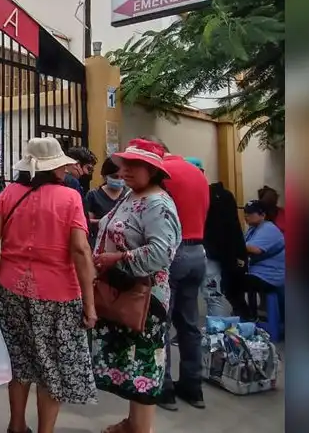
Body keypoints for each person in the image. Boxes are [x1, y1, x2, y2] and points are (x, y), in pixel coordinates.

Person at [0, 138, 98, 433]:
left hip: (11, 288)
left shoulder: (8, 193)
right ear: (55, 168)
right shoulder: (70, 198)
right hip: (58, 295)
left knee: (20, 362)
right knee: (52, 368)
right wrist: (90, 304)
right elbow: (81, 250)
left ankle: (17, 426)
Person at [91, 138, 182, 433]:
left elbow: (161, 253)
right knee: (134, 367)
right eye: (125, 164)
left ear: (153, 170)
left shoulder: (158, 204)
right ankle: (133, 424)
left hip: (145, 298)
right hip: (124, 290)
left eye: (135, 165)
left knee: (144, 365)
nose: (126, 170)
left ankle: (141, 428)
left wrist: (116, 258)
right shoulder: (132, 197)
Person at [148, 137, 210, 411]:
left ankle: (165, 389)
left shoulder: (163, 174)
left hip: (173, 252)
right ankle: (193, 387)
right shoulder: (197, 173)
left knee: (161, 322)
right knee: (189, 324)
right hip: (198, 252)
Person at [203, 173, 248, 318]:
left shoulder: (211, 197)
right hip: (221, 253)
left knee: (212, 295)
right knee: (215, 296)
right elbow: (234, 228)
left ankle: (218, 333)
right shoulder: (223, 195)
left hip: (210, 253)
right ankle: (219, 333)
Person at [235, 200, 286, 321]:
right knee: (233, 279)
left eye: (251, 213)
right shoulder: (253, 229)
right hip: (259, 272)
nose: (246, 216)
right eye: (246, 213)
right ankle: (246, 313)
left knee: (241, 282)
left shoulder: (268, 229)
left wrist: (233, 243)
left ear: (262, 215)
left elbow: (255, 249)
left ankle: (251, 316)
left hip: (271, 275)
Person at [84, 157, 125, 250]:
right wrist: (104, 221)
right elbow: (87, 221)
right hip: (100, 245)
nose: (119, 180)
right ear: (105, 176)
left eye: (122, 177)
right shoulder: (93, 195)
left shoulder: (129, 194)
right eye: (115, 177)